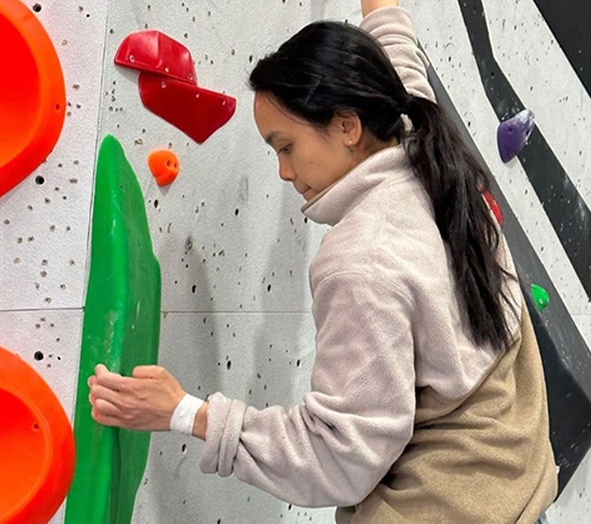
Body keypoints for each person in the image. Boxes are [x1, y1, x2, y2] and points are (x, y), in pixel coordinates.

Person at [87, 1, 558, 521]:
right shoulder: (425, 143)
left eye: (285, 146)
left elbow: (341, 456)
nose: (284, 172)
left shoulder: (362, 259)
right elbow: (398, 55)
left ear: (348, 127)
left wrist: (186, 413)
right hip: (518, 484)